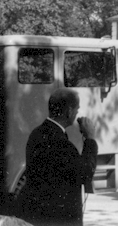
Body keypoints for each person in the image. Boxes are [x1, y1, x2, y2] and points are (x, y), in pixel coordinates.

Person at [17, 88, 98, 226]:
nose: (77, 113)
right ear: (69, 111)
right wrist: (90, 138)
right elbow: (85, 173)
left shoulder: (36, 134)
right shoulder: (61, 143)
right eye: (77, 110)